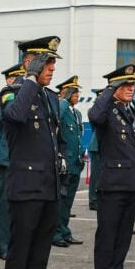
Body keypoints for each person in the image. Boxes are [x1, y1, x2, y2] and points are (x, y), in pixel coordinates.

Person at [0, 36, 66, 269]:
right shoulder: (11, 92)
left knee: (40, 253)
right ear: (29, 63)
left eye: (53, 62)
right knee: (21, 252)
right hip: (25, 186)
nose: (51, 68)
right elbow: (14, 116)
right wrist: (29, 79)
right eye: (46, 62)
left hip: (48, 186)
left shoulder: (50, 97)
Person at [88, 64, 135, 269]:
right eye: (125, 85)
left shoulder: (131, 111)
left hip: (131, 183)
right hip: (112, 185)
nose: (131, 89)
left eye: (133, 85)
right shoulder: (106, 112)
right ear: (114, 88)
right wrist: (108, 90)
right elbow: (94, 116)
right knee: (107, 237)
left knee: (123, 238)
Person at [0, 64, 23, 260]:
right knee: (5, 205)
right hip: (7, 159)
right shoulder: (1, 99)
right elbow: (3, 116)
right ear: (8, 80)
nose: (19, 82)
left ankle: (16, 243)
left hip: (23, 159)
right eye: (15, 79)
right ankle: (3, 246)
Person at [53, 75, 84, 248]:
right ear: (65, 93)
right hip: (64, 163)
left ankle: (65, 231)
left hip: (76, 163)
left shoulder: (77, 113)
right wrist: (63, 99)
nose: (77, 95)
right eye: (73, 92)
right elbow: (57, 114)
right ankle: (56, 233)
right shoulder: (61, 108)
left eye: (78, 91)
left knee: (68, 202)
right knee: (61, 200)